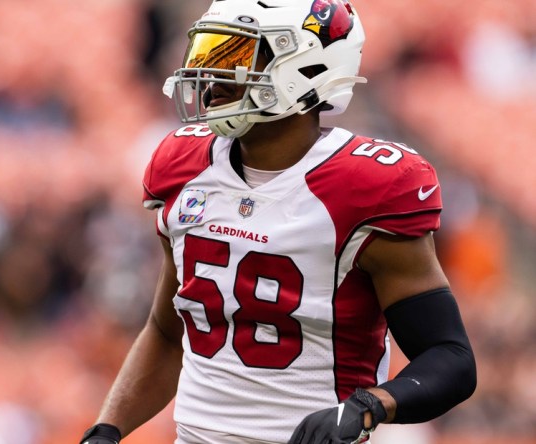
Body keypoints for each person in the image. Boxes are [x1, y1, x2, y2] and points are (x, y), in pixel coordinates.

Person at [81, 0, 476, 443]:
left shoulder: (364, 186)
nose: (210, 73)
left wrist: (370, 406)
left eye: (233, 54)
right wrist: (107, 430)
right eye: (209, 51)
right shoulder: (182, 165)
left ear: (304, 67)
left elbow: (450, 357)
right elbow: (167, 331)